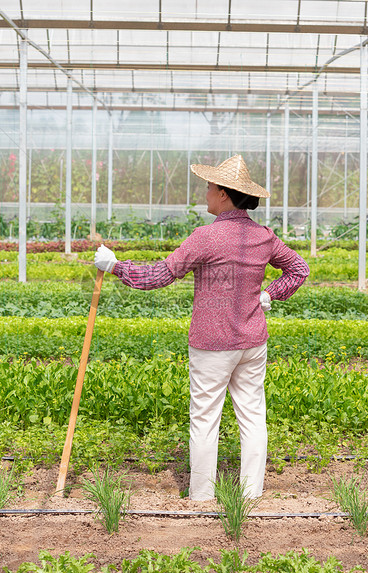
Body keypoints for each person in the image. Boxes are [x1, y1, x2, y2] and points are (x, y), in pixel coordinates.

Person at [94, 154, 309, 500]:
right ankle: (251, 494)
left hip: (212, 343)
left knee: (205, 419)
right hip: (252, 341)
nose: (206, 194)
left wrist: (116, 265)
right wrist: (270, 294)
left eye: (209, 188)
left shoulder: (205, 237)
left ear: (224, 193)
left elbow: (160, 276)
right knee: (253, 416)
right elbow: (299, 269)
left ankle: (202, 496)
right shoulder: (264, 237)